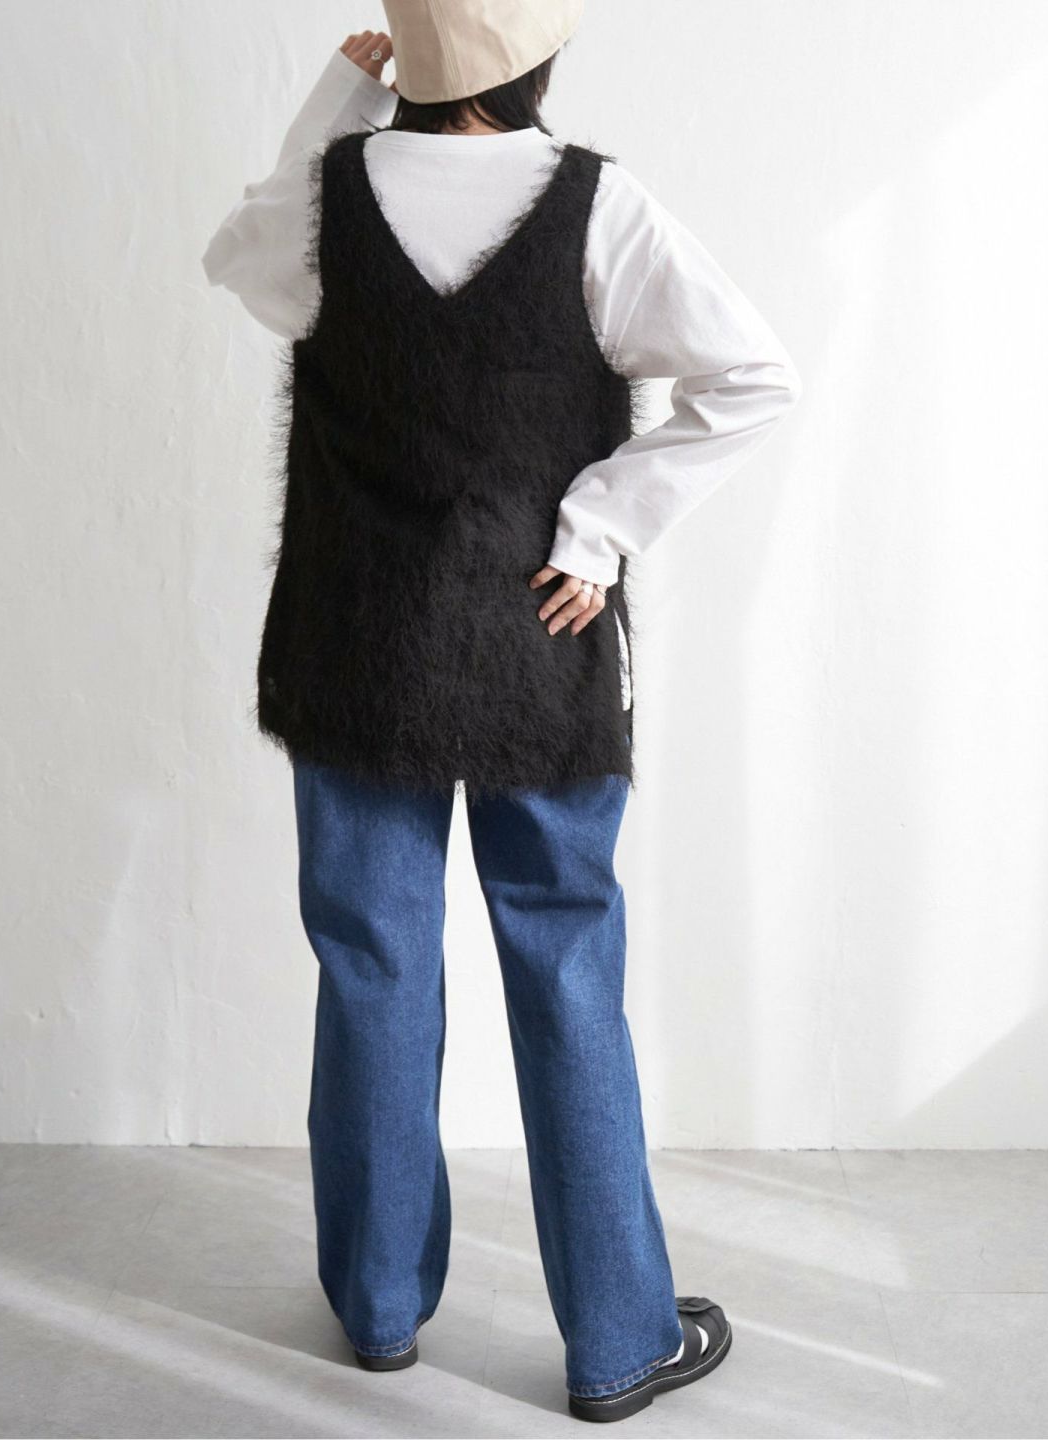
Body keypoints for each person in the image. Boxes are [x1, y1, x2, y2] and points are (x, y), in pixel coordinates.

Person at [201, 0, 800, 1421]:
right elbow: (755, 377)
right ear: (538, 57)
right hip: (540, 644)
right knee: (567, 967)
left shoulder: (328, 201)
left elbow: (237, 257)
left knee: (373, 966)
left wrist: (334, 109)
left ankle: (379, 1308)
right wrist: (601, 529)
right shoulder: (600, 207)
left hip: (356, 650)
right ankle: (617, 1342)